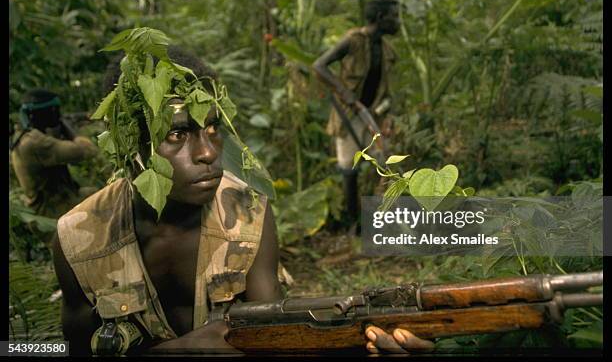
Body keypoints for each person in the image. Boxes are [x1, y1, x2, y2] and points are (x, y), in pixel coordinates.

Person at [52, 42, 430, 355]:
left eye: (213, 128)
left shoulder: (248, 212)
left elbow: (278, 338)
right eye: (176, 135)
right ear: (127, 143)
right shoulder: (78, 239)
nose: (207, 153)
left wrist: (358, 345)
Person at [313, 0, 400, 233]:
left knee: (386, 163)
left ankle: (384, 221)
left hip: (374, 116)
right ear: (381, 18)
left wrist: (388, 117)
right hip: (348, 116)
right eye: (395, 16)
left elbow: (389, 90)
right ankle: (353, 223)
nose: (398, 22)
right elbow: (319, 65)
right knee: (349, 170)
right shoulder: (353, 40)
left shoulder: (388, 50)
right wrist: (344, 92)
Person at [10, 89, 98, 240]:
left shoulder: (25, 136)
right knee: (110, 204)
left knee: (99, 192)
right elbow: (88, 151)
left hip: (58, 201)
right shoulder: (34, 143)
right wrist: (69, 129)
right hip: (52, 213)